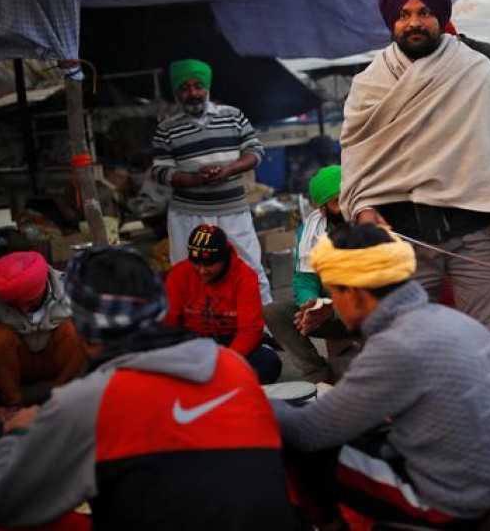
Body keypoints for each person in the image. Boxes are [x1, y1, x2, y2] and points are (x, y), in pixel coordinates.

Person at [0, 247, 301, 530]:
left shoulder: (86, 401)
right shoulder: (232, 367)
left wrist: (17, 434)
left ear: (81, 328)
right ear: (159, 306)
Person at [339, 0, 490, 350]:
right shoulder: (369, 84)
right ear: (391, 21)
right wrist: (365, 210)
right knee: (409, 349)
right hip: (402, 239)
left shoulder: (477, 71)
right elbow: (357, 159)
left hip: (479, 237)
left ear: (440, 16)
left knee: (488, 347)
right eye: (403, 14)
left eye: (423, 12)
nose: (414, 22)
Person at [274, 224, 490, 530]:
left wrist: (250, 398)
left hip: (450, 504)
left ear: (356, 293)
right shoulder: (453, 320)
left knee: (301, 448)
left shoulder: (397, 345)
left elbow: (308, 432)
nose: (334, 304)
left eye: (334, 292)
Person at [151, 58, 272, 305]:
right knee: (189, 273)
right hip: (189, 215)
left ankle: (265, 326)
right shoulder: (167, 128)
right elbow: (159, 171)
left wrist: (229, 170)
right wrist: (195, 178)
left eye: (197, 86)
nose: (192, 93)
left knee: (250, 267)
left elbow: (255, 152)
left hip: (233, 209)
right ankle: (200, 333)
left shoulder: (233, 116)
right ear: (176, 93)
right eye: (184, 88)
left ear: (207, 88)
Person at [267, 165, 355, 384]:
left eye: (347, 198)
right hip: (330, 311)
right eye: (336, 202)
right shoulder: (310, 232)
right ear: (322, 208)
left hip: (368, 310)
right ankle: (318, 375)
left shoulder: (368, 223)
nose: (344, 207)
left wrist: (333, 309)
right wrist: (311, 305)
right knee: (275, 313)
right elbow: (304, 279)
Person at [163, 224, 281, 384]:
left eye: (209, 265)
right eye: (196, 264)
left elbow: (250, 330)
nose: (202, 271)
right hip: (193, 342)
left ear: (224, 259)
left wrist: (225, 362)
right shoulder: (179, 273)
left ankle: (212, 385)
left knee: (269, 362)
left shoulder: (245, 277)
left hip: (231, 342)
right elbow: (168, 322)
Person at [0, 252, 85, 425]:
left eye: (30, 302)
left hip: (58, 361)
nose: (23, 309)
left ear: (44, 285)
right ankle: (14, 405)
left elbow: (98, 341)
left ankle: (62, 397)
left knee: (76, 329)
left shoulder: (72, 288)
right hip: (15, 364)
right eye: (13, 304)